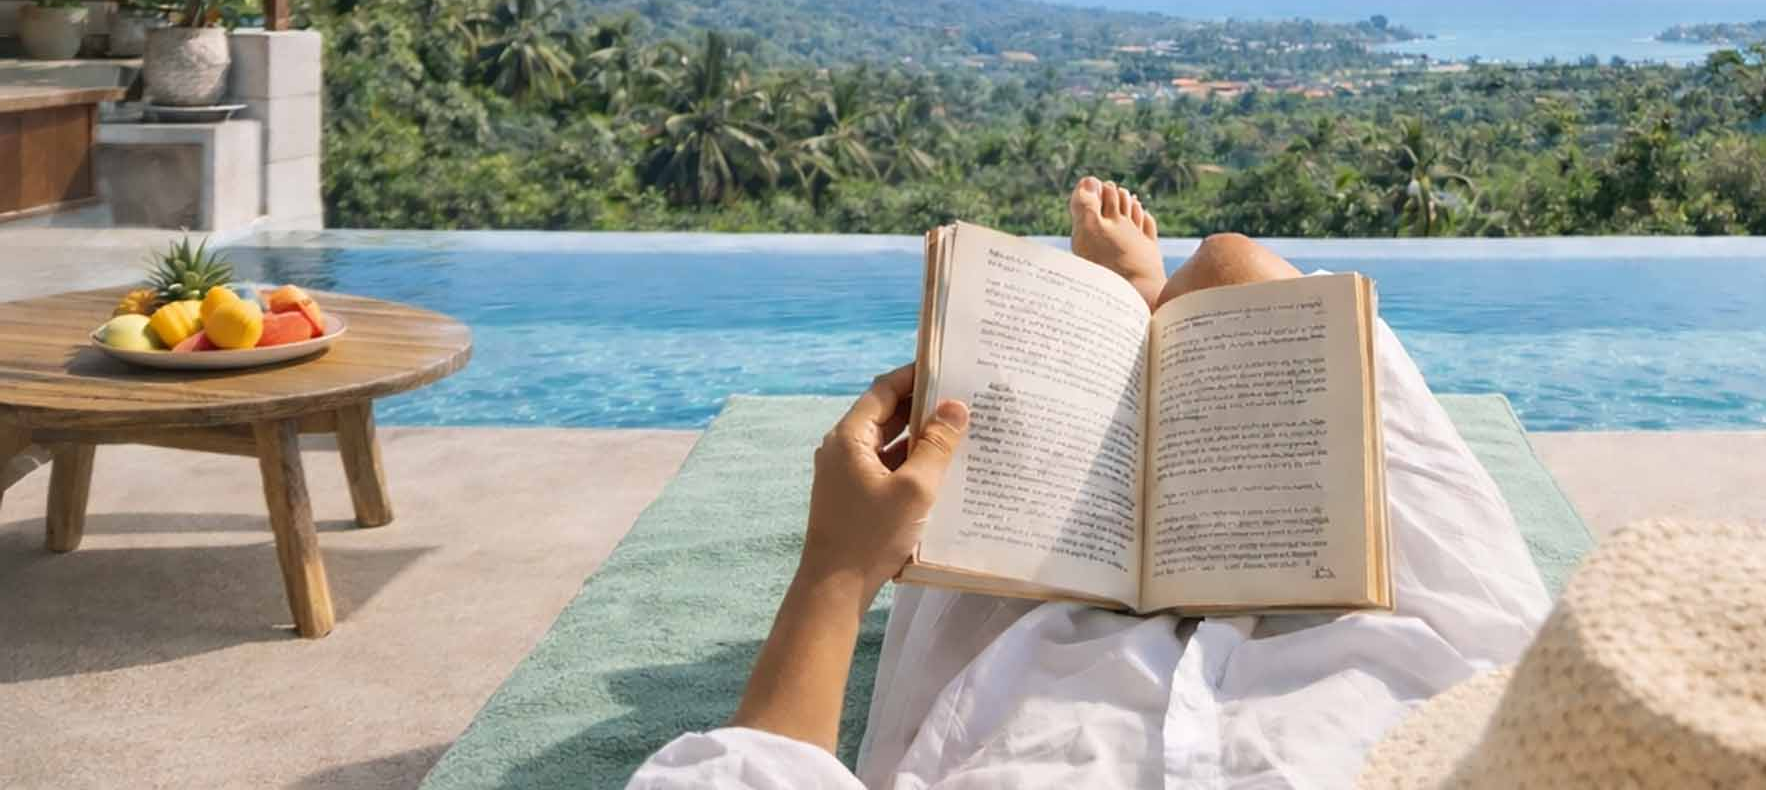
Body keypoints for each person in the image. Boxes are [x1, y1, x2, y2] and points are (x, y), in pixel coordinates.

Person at [628, 178, 1551, 789]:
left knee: (1036, 413)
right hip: (1403, 658)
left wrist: (835, 570)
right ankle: (1143, 320)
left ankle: (1120, 321)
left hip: (1028, 678)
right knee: (1238, 271)